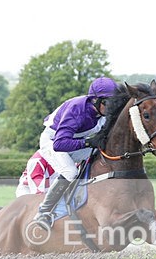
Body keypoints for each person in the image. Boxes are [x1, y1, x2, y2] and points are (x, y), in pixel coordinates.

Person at [33, 76, 119, 230]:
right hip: (53, 142)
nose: (112, 107)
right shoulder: (76, 110)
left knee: (103, 153)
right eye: (108, 103)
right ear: (95, 101)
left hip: (74, 140)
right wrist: (87, 143)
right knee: (70, 172)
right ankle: (43, 212)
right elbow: (60, 144)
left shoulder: (101, 111)